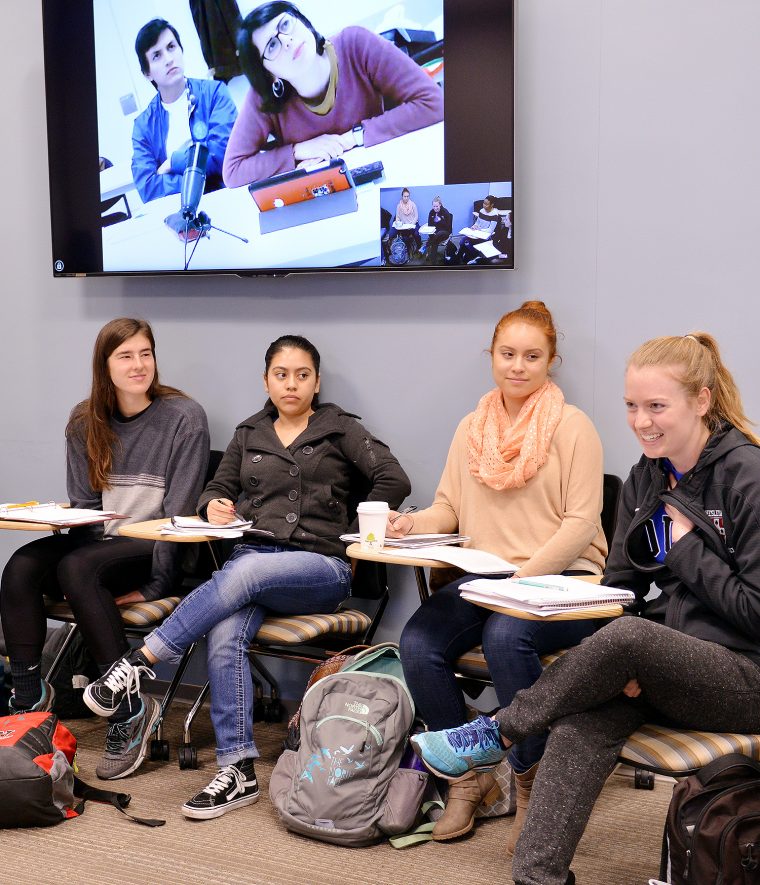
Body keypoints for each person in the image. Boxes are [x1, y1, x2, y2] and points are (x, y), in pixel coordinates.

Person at [412, 332, 760, 885]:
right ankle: (538, 878)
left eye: (656, 406)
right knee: (579, 723)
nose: (641, 421)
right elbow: (619, 590)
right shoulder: (648, 476)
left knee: (628, 642)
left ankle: (496, 733)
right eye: (631, 405)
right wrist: (618, 665)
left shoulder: (748, 476)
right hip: (664, 669)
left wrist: (687, 548)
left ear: (702, 400)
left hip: (743, 677)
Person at [82, 334, 411, 819]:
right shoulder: (250, 431)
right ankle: (238, 769)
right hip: (252, 568)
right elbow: (216, 487)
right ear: (266, 380)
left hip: (320, 568)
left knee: (248, 568)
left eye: (302, 375)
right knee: (224, 628)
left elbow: (394, 479)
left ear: (316, 382)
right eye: (282, 375)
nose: (292, 384)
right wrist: (211, 504)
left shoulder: (341, 429)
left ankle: (142, 659)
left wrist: (353, 530)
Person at [394, 301, 607, 846]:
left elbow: (582, 524)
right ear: (491, 356)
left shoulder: (573, 426)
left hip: (566, 583)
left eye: (532, 356)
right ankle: (470, 779)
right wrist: (409, 524)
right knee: (417, 641)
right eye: (508, 354)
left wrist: (525, 581)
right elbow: (449, 509)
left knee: (506, 636)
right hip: (489, 579)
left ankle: (533, 782)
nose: (518, 366)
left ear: (550, 361)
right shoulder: (472, 427)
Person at [0, 318, 210, 780]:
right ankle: (28, 698)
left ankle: (129, 708)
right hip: (97, 545)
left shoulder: (184, 417)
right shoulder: (84, 419)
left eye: (145, 353)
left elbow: (177, 516)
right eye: (125, 356)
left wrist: (157, 584)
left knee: (78, 569)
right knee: (19, 568)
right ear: (105, 365)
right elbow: (86, 507)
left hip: (151, 545)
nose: (139, 365)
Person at [222, 2, 444, 186]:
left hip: (391, 175)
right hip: (322, 197)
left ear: (302, 21)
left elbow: (434, 103)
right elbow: (232, 171)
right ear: (269, 73)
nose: (287, 40)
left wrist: (351, 138)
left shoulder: (356, 44)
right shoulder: (263, 97)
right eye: (272, 46)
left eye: (286, 24)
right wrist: (297, 151)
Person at [132, 18, 238, 203]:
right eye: (157, 55)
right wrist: (201, 181)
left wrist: (174, 162)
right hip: (177, 211)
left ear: (181, 50)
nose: (169, 59)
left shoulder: (214, 93)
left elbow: (223, 156)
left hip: (225, 198)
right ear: (147, 73)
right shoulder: (143, 126)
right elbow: (148, 188)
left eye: (171, 47)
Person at [456, 195, 501, 264]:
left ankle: (471, 257)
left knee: (469, 244)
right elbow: (478, 222)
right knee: (462, 241)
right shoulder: (481, 211)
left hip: (485, 236)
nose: (484, 205)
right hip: (477, 233)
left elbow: (490, 230)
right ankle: (459, 257)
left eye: (486, 204)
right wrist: (474, 226)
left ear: (492, 205)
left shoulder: (494, 214)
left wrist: (480, 230)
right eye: (484, 203)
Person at [422, 195, 453, 264]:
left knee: (437, 236)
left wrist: (440, 220)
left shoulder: (445, 212)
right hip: (435, 232)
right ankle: (433, 261)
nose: (435, 208)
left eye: (437, 206)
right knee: (435, 241)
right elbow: (430, 225)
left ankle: (427, 245)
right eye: (434, 206)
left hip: (445, 232)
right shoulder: (431, 212)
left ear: (440, 205)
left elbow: (448, 227)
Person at [392, 187, 422, 255]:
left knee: (417, 234)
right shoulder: (399, 206)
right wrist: (397, 222)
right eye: (405, 196)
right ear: (402, 196)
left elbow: (416, 216)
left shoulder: (413, 204)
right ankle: (409, 251)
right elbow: (397, 217)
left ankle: (419, 247)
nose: (406, 198)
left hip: (413, 224)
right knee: (405, 238)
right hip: (404, 226)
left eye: (408, 196)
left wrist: (412, 225)